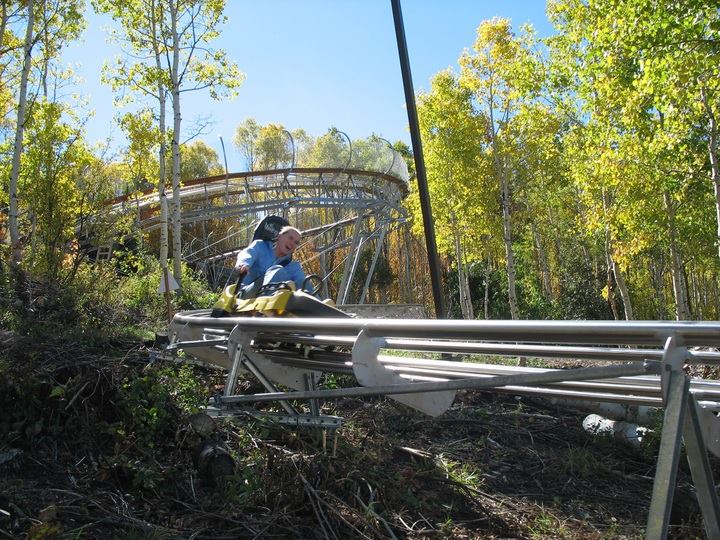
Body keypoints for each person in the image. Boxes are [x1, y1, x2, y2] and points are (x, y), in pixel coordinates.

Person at [234, 225, 305, 292]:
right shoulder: (260, 246)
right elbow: (247, 254)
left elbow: (303, 283)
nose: (292, 243)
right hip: (247, 295)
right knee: (278, 272)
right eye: (290, 238)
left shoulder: (294, 267)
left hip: (274, 301)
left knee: (303, 284)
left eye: (296, 242)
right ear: (280, 236)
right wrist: (244, 265)